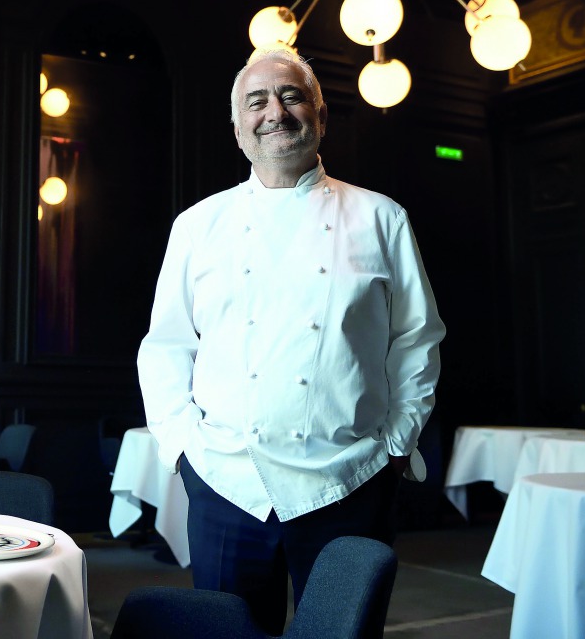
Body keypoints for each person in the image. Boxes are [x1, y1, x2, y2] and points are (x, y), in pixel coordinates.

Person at [136, 47, 445, 633]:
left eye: (292, 96)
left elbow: (416, 340)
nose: (275, 111)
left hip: (350, 480)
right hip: (228, 483)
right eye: (257, 101)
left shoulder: (382, 218)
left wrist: (397, 444)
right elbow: (167, 346)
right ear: (237, 127)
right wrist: (181, 447)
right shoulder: (198, 226)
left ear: (321, 117)